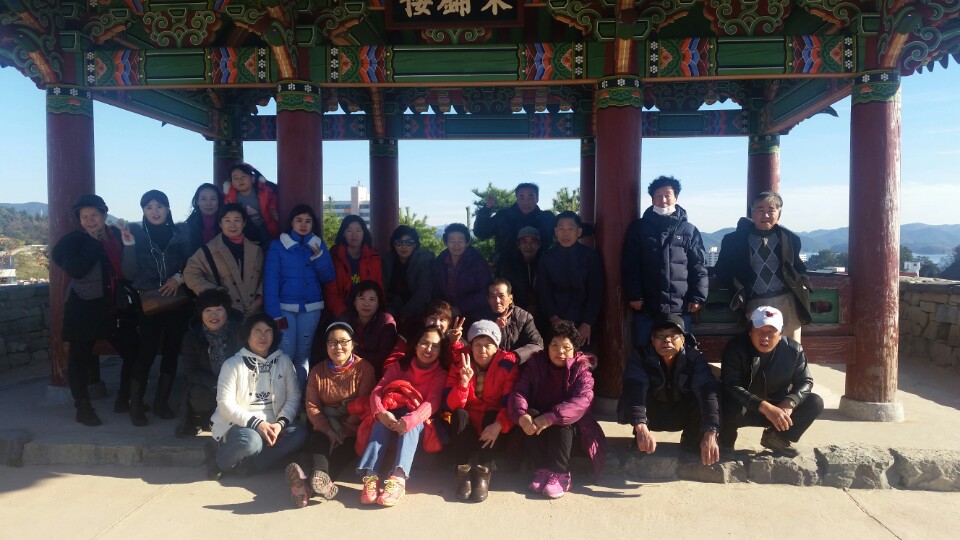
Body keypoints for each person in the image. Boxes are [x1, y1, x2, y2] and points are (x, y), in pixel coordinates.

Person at [50, 194, 138, 427]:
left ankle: (125, 398)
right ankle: (83, 406)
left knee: (133, 352)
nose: (89, 220)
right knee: (79, 358)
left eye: (94, 215)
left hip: (114, 306)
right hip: (84, 306)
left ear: (104, 215)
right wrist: (93, 241)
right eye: (84, 217)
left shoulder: (116, 236)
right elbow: (77, 270)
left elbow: (128, 272)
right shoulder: (74, 241)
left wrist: (128, 245)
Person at [508, 320, 606, 499]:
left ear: (574, 350)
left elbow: (582, 400)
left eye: (566, 347)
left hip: (573, 431)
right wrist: (521, 416)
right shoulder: (536, 364)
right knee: (530, 415)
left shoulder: (582, 369)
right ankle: (542, 469)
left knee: (562, 423)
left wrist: (551, 417)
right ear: (547, 347)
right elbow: (519, 391)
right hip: (540, 425)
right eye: (554, 345)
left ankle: (561, 474)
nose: (560, 351)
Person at [356, 325, 449, 507]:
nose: (428, 349)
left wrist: (410, 420)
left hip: (419, 422)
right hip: (393, 415)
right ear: (416, 345)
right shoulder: (400, 366)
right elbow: (377, 391)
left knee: (411, 425)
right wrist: (381, 413)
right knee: (380, 423)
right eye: (424, 343)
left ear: (440, 350)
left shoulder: (440, 373)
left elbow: (433, 402)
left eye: (435, 346)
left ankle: (398, 480)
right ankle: (370, 477)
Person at [121, 189, 191, 426]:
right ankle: (136, 404)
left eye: (159, 206)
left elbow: (191, 263)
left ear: (168, 209)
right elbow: (129, 273)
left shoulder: (180, 234)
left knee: (172, 350)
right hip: (149, 302)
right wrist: (129, 246)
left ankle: (162, 402)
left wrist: (178, 278)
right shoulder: (136, 235)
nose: (155, 211)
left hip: (176, 301)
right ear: (143, 211)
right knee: (147, 351)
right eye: (149, 207)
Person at [287, 322, 376, 508]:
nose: (338, 347)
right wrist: (328, 430)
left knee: (346, 447)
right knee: (319, 439)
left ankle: (307, 485)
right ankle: (318, 480)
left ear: (353, 344)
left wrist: (343, 431)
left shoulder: (364, 368)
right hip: (325, 422)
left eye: (344, 342)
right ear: (326, 346)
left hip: (352, 425)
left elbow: (364, 403)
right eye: (333, 343)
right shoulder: (317, 371)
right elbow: (312, 406)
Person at [209, 314, 308, 480]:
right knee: (251, 441)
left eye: (268, 331)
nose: (263, 336)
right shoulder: (232, 364)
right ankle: (219, 460)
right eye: (258, 331)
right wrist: (257, 424)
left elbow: (293, 396)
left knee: (300, 434)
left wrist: (280, 424)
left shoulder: (283, 361)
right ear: (247, 334)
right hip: (241, 424)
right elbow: (225, 404)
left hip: (274, 423)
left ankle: (251, 465)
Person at [719, 306, 823, 456]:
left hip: (778, 408)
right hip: (745, 407)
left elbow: (805, 381)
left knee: (814, 402)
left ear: (780, 334)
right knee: (726, 399)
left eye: (771, 332)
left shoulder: (794, 350)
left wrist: (790, 402)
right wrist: (764, 406)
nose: (765, 337)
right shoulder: (735, 348)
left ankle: (776, 438)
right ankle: (725, 442)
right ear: (750, 331)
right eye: (759, 331)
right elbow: (731, 384)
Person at [618, 314, 720, 466]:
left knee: (709, 390)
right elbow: (635, 390)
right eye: (660, 336)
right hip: (652, 413)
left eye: (673, 336)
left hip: (682, 412)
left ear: (683, 340)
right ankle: (642, 436)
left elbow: (707, 393)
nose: (666, 340)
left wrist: (711, 432)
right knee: (632, 388)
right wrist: (640, 426)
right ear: (652, 340)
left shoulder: (695, 358)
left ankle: (692, 439)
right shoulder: (640, 356)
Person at [715, 192, 812, 342]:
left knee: (791, 346)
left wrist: (804, 284)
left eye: (771, 210)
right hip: (755, 301)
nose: (765, 215)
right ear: (752, 212)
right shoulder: (734, 240)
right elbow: (721, 269)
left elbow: (799, 267)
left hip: (787, 300)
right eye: (760, 210)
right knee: (760, 345)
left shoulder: (789, 238)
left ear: (779, 213)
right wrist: (737, 287)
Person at [622, 175, 708, 345]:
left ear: (676, 197)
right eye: (658, 195)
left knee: (680, 351)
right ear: (652, 199)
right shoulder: (639, 228)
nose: (663, 200)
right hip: (647, 305)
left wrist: (698, 297)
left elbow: (699, 265)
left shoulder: (689, 230)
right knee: (644, 349)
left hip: (680, 306)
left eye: (668, 195)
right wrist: (634, 295)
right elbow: (630, 265)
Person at [445, 320, 520, 502]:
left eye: (488, 345)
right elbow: (450, 405)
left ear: (496, 347)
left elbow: (510, 401)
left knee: (493, 415)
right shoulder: (460, 361)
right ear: (470, 346)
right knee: (459, 414)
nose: (482, 350)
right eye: (477, 344)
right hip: (468, 425)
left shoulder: (507, 364)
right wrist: (463, 384)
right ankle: (462, 471)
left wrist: (500, 424)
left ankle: (483, 472)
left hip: (492, 427)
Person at [263, 204, 336, 391]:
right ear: (292, 223)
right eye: (299, 220)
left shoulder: (318, 245)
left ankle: (300, 396)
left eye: (308, 221)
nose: (303, 225)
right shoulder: (278, 246)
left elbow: (328, 277)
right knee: (285, 354)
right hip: (284, 309)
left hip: (311, 309)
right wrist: (274, 313)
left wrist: (319, 257)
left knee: (304, 355)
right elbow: (270, 280)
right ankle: (282, 395)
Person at [175, 289, 243, 438]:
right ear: (201, 313)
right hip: (209, 385)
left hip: (236, 384)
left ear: (227, 311)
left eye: (219, 310)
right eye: (208, 311)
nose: (214, 315)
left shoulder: (240, 332)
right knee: (198, 395)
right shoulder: (192, 335)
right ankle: (202, 418)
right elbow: (190, 371)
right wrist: (217, 383)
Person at [183, 204, 265, 318]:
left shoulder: (256, 250)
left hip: (254, 314)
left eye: (237, 220)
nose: (232, 225)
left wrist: (259, 300)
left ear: (244, 223)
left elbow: (264, 277)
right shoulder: (208, 250)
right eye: (227, 220)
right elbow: (190, 273)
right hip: (225, 315)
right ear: (220, 224)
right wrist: (216, 294)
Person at [537, 211, 603, 347]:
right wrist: (553, 318)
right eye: (561, 229)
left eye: (570, 229)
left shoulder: (590, 257)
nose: (565, 233)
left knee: (582, 357)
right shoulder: (547, 257)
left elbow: (596, 292)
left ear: (579, 231)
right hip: (554, 320)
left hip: (582, 321)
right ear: (555, 231)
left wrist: (587, 323)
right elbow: (543, 290)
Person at [473, 182, 555, 275]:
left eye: (530, 197)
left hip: (541, 273)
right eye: (521, 197)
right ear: (516, 198)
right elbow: (480, 231)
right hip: (506, 274)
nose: (526, 202)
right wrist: (486, 210)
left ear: (537, 198)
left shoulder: (547, 218)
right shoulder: (503, 216)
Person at [336, 281, 399, 378]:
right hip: (345, 369)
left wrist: (353, 353)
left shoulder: (386, 322)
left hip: (375, 373)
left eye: (372, 299)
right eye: (362, 298)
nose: (366, 304)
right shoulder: (344, 319)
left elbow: (384, 357)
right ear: (354, 301)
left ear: (378, 303)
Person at [323, 215, 383, 318]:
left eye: (358, 230)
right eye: (349, 230)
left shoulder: (374, 258)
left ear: (364, 233)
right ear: (343, 233)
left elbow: (379, 288)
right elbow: (331, 292)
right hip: (341, 311)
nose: (354, 235)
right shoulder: (333, 258)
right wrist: (343, 315)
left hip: (368, 310)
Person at [433, 223, 491, 324]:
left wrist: (459, 308)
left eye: (460, 241)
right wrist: (444, 308)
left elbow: (485, 293)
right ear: (446, 243)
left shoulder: (478, 262)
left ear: (467, 242)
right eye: (452, 241)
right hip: (446, 312)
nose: (456, 245)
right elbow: (435, 289)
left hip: (474, 313)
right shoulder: (440, 261)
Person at [382, 225, 435, 326]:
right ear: (393, 244)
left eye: (409, 242)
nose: (404, 246)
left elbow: (424, 293)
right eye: (399, 242)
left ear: (415, 245)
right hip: (391, 309)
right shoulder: (388, 261)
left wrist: (403, 314)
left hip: (418, 310)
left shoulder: (423, 261)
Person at [485, 278, 543, 364]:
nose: (497, 301)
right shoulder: (480, 318)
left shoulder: (523, 317)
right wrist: (494, 328)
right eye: (493, 296)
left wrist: (515, 356)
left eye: (501, 296)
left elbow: (537, 345)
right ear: (488, 299)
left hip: (516, 366)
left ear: (510, 298)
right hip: (489, 366)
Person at [222, 163, 279, 244]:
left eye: (243, 176)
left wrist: (273, 210)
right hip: (244, 230)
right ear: (232, 184)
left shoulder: (264, 191)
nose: (240, 180)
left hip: (265, 227)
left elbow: (273, 200)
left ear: (252, 179)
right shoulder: (230, 198)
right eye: (236, 178)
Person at [500, 226, 542, 317]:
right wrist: (523, 308)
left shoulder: (545, 264)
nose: (528, 246)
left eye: (532, 242)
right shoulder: (510, 267)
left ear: (539, 245)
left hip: (544, 314)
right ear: (518, 245)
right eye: (524, 242)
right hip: (517, 315)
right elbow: (506, 293)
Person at [179, 183, 223, 259]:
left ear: (219, 201)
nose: (208, 203)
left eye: (213, 199)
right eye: (203, 199)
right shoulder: (185, 230)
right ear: (197, 201)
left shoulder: (229, 226)